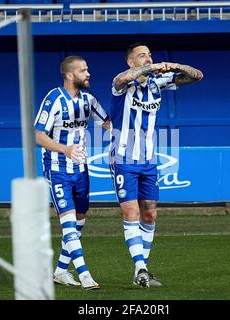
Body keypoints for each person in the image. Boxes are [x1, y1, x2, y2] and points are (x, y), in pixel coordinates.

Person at [109, 42, 203, 288]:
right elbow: (122, 79)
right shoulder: (123, 84)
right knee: (131, 212)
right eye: (142, 56)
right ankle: (140, 268)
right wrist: (148, 68)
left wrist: (174, 65)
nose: (148, 58)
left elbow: (197, 76)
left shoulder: (157, 83)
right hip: (124, 159)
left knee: (150, 214)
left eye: (149, 55)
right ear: (131, 61)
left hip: (149, 160)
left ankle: (142, 269)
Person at [34, 56, 110, 290]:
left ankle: (60, 271)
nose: (88, 73)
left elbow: (107, 123)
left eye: (87, 69)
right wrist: (64, 149)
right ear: (69, 75)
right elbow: (38, 135)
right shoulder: (54, 99)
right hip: (57, 169)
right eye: (83, 70)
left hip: (81, 169)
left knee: (78, 224)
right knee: (68, 223)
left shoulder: (89, 100)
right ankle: (85, 274)